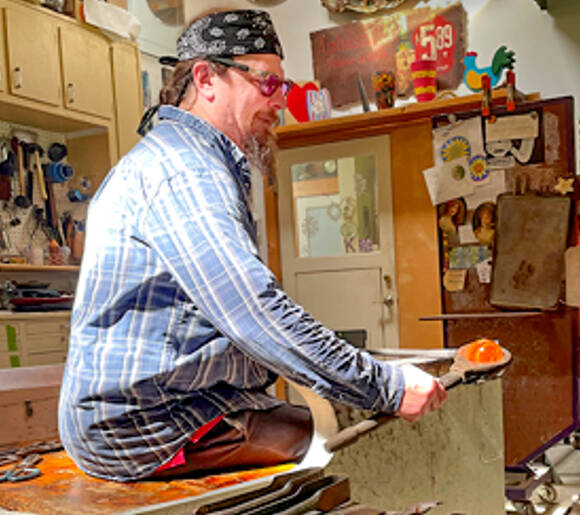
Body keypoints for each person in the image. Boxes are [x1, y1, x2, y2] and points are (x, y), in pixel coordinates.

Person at [58, 9, 446, 482]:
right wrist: (385, 386)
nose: (280, 101)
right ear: (206, 79)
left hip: (185, 404)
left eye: (283, 85)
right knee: (357, 439)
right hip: (146, 427)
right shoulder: (184, 170)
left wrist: (357, 373)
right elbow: (254, 313)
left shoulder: (188, 160)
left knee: (334, 415)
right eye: (267, 83)